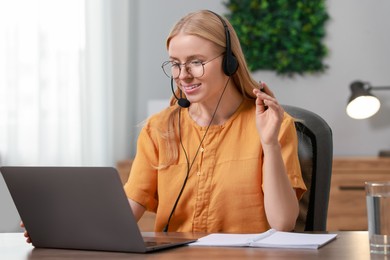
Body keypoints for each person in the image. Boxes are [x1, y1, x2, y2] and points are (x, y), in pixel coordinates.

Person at [22, 9, 306, 242]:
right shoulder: (160, 128)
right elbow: (126, 211)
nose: (183, 75)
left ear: (230, 63)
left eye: (196, 62)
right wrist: (59, 228)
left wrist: (268, 142)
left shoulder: (275, 126)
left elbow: (282, 224)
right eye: (175, 64)